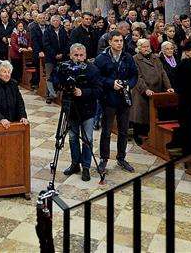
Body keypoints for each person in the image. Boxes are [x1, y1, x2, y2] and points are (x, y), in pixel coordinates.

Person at [95, 31, 139, 173]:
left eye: (121, 41)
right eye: (116, 41)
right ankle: (104, 158)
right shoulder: (101, 59)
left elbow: (134, 75)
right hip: (109, 99)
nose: (119, 43)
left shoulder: (128, 57)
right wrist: (110, 83)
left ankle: (121, 157)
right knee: (107, 131)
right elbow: (96, 78)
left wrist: (129, 85)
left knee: (123, 131)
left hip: (124, 98)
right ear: (110, 42)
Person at [56, 44, 102, 181]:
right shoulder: (65, 68)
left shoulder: (92, 69)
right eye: (76, 55)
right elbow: (55, 82)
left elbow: (99, 90)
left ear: (86, 56)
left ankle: (86, 167)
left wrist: (83, 92)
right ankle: (75, 164)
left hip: (87, 109)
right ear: (70, 55)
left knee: (87, 139)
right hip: (71, 109)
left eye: (81, 55)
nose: (79, 58)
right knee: (72, 138)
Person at [131, 38, 174, 146]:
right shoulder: (135, 59)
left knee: (153, 115)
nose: (146, 49)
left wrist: (168, 87)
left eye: (148, 46)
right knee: (141, 115)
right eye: (144, 47)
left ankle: (153, 136)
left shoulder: (155, 57)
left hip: (157, 90)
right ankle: (138, 135)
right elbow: (138, 77)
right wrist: (145, 89)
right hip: (142, 91)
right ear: (139, 48)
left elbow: (163, 73)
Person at [0, 60, 29, 129]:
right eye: (4, 72)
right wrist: (1, 119)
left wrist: (23, 116)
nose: (7, 74)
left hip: (13, 122)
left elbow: (19, 102)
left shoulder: (13, 84)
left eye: (9, 72)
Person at [43, 14, 69, 104]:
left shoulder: (63, 31)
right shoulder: (47, 31)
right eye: (54, 21)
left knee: (60, 76)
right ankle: (48, 96)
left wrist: (62, 54)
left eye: (57, 21)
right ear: (51, 22)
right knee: (49, 76)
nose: (55, 22)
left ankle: (56, 94)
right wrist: (54, 55)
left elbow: (67, 44)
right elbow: (46, 45)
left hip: (62, 57)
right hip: (50, 58)